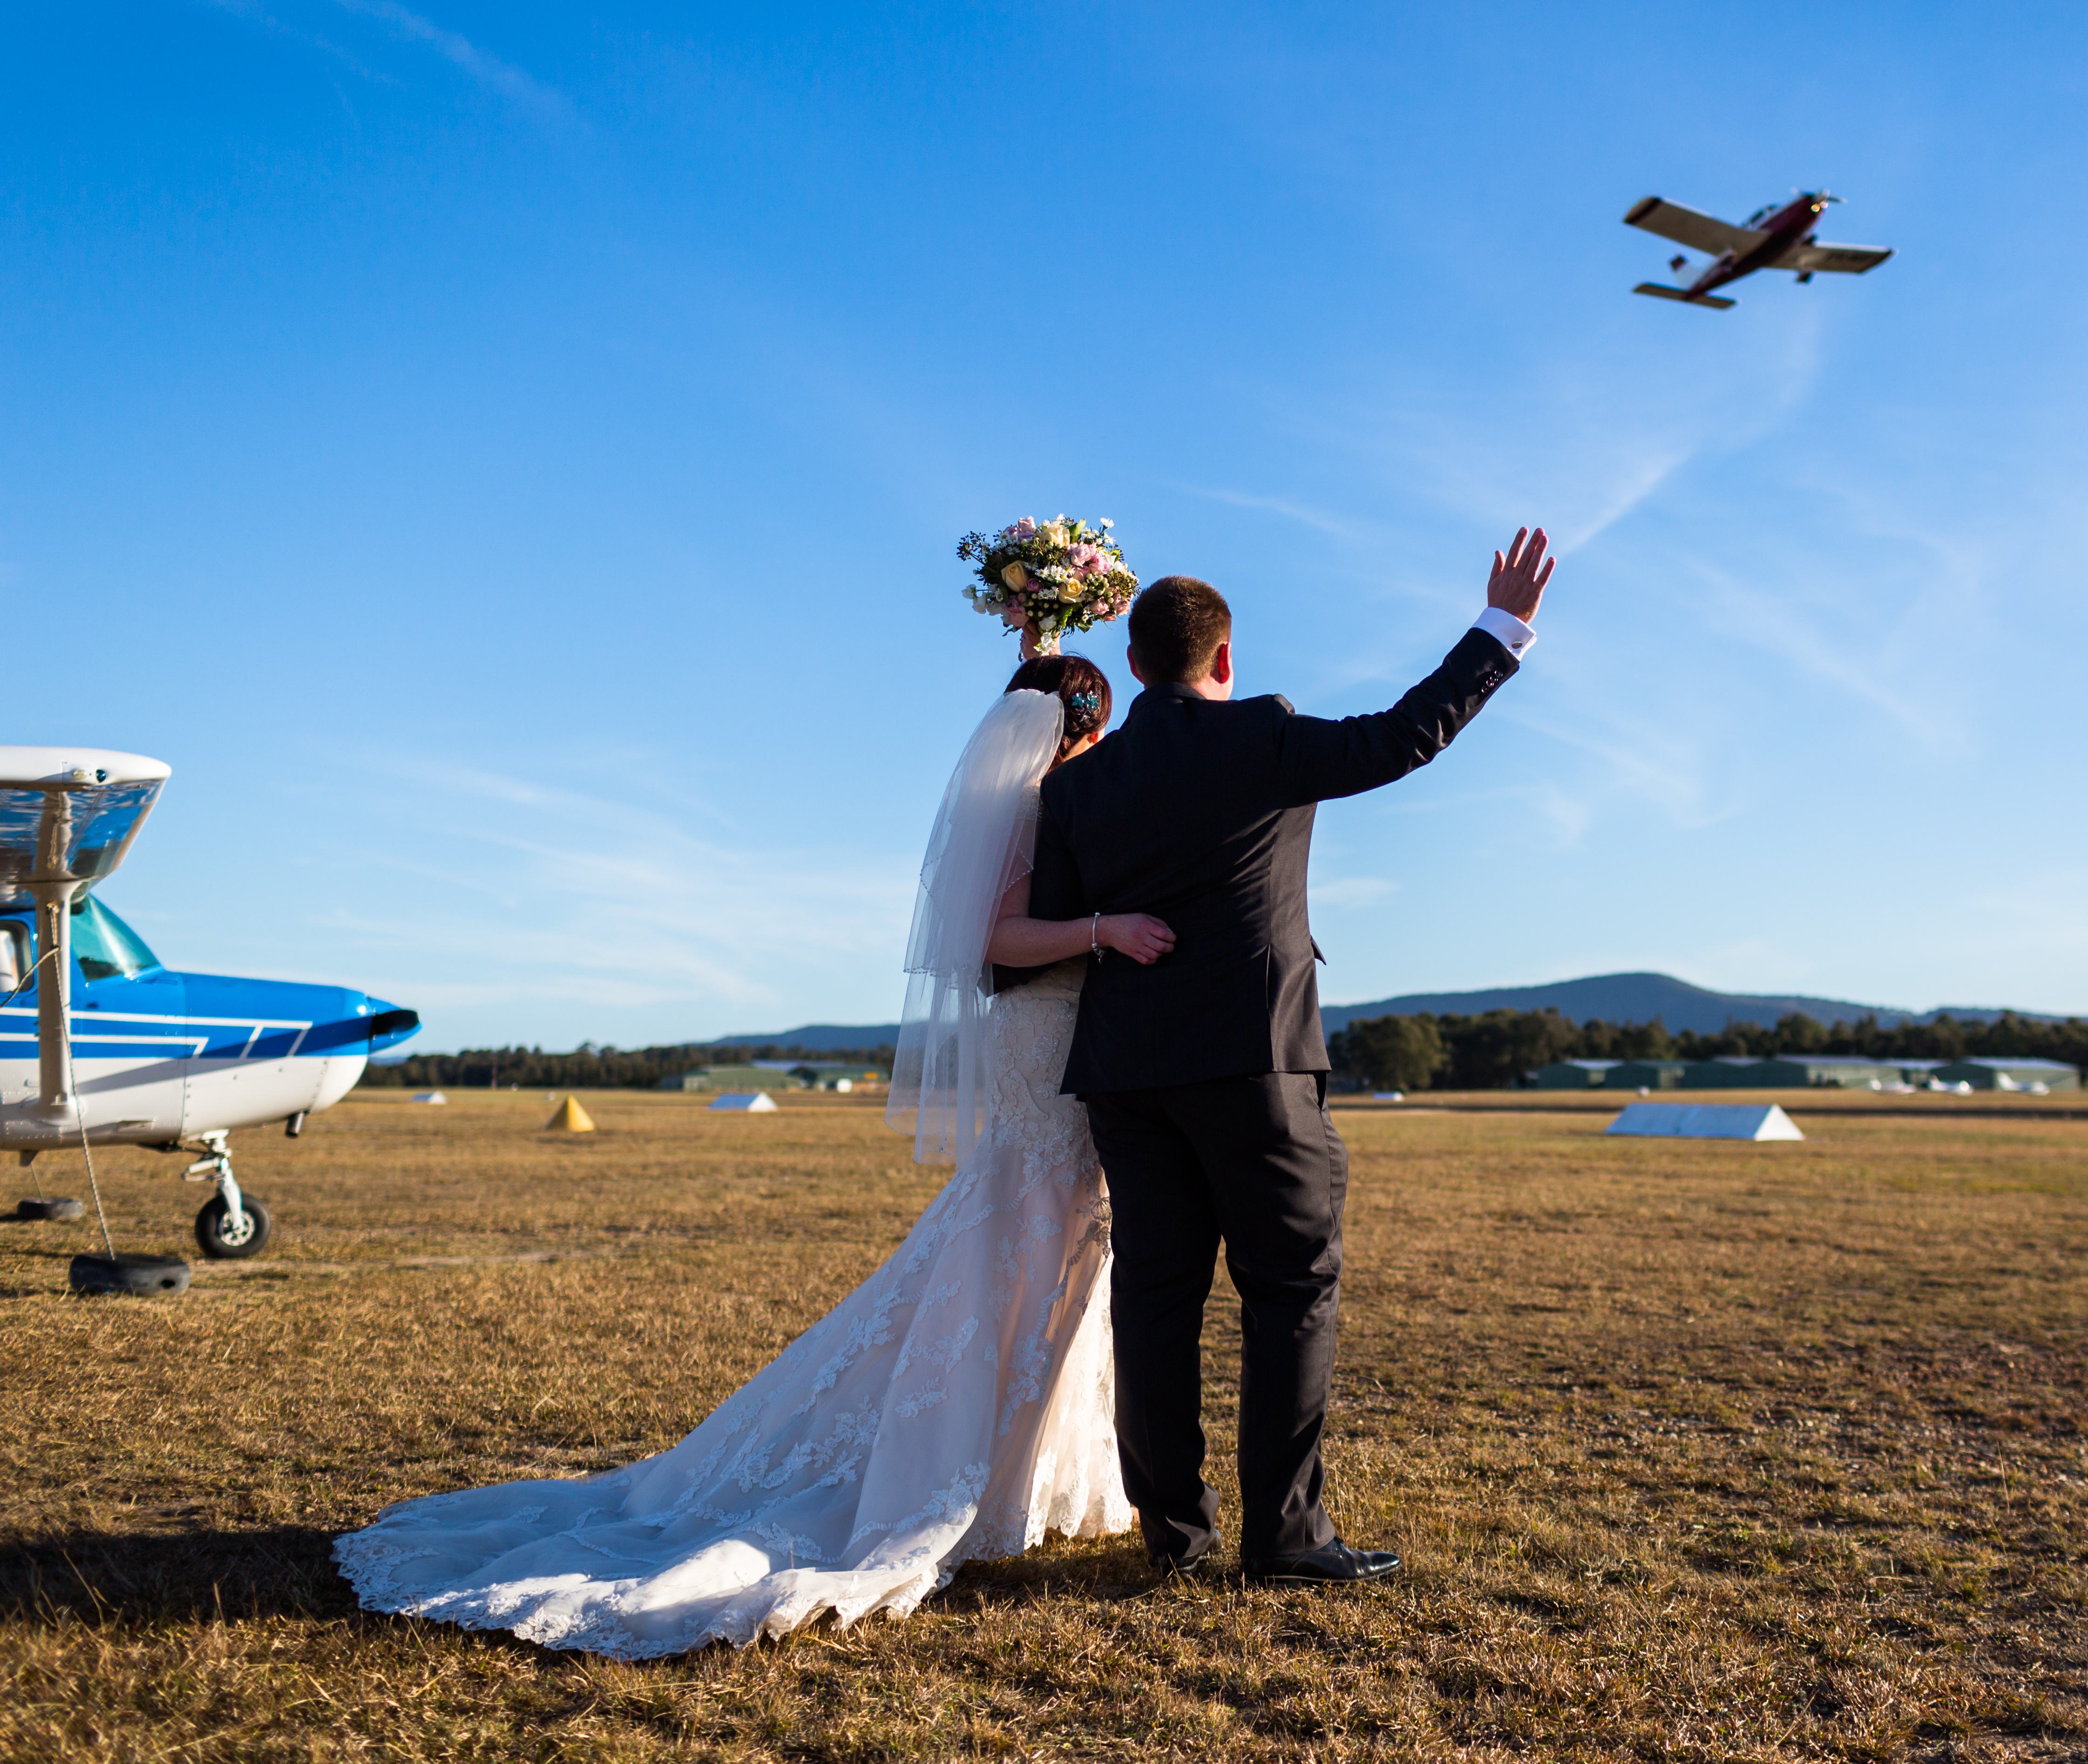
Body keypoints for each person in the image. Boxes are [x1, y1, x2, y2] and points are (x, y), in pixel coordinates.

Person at [333, 653, 1171, 1661]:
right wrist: (1102, 930)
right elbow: (996, 934)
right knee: (1036, 1231)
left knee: (1054, 1238)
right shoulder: (1033, 802)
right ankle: (957, 1470)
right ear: (1082, 724)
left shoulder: (1031, 794)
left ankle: (1042, 1476)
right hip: (1043, 1034)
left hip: (1062, 1033)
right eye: (1101, 725)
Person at [1024, 527, 1554, 1584]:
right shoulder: (1265, 735)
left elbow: (1050, 925)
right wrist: (1502, 628)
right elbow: (1404, 736)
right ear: (1225, 661)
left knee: (1157, 1300)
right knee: (1291, 1288)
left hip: (1128, 1075)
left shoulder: (1076, 788)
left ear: (1134, 667)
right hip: (1255, 1063)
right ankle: (1285, 1535)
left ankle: (1171, 1534)